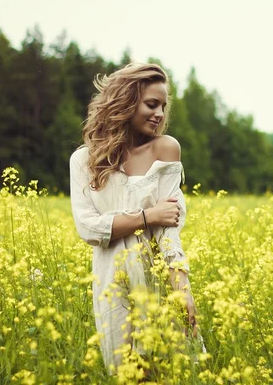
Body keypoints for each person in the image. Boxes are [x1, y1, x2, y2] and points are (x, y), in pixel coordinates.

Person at [69, 63, 198, 372]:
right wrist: (148, 215)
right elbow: (88, 228)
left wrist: (181, 288)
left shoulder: (165, 149)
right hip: (113, 283)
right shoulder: (84, 160)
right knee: (129, 374)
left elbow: (169, 230)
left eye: (164, 106)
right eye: (151, 104)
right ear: (126, 102)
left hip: (157, 279)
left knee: (173, 372)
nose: (159, 114)